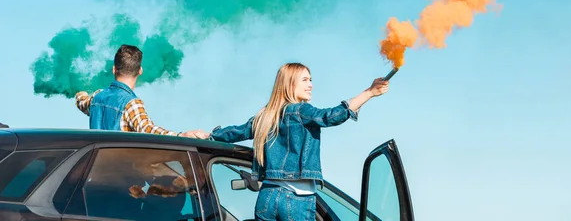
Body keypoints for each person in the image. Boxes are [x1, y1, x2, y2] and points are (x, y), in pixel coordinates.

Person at [206, 62, 389, 221]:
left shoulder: (265, 116)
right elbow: (331, 116)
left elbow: (237, 132)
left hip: (267, 197)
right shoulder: (301, 111)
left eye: (310, 80)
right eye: (305, 80)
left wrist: (210, 136)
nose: (311, 85)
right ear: (289, 83)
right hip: (296, 200)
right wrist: (369, 93)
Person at [75, 44, 205, 138]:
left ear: (114, 69)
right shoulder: (132, 104)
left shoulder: (97, 97)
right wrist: (180, 135)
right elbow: (147, 129)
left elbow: (82, 102)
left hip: (97, 170)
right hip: (120, 171)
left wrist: (79, 92)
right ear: (140, 70)